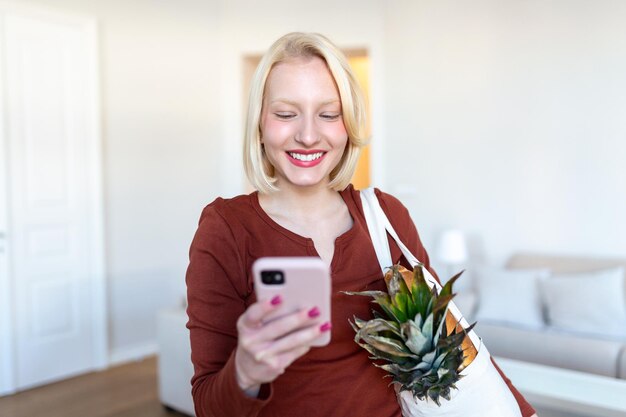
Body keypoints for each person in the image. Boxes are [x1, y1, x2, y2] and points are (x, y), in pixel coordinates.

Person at [185, 32, 537, 417]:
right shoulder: (226, 229)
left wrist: (522, 411)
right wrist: (244, 373)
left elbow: (455, 340)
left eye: (328, 114)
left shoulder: (386, 217)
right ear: (260, 124)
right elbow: (208, 404)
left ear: (348, 124)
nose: (307, 135)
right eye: (286, 114)